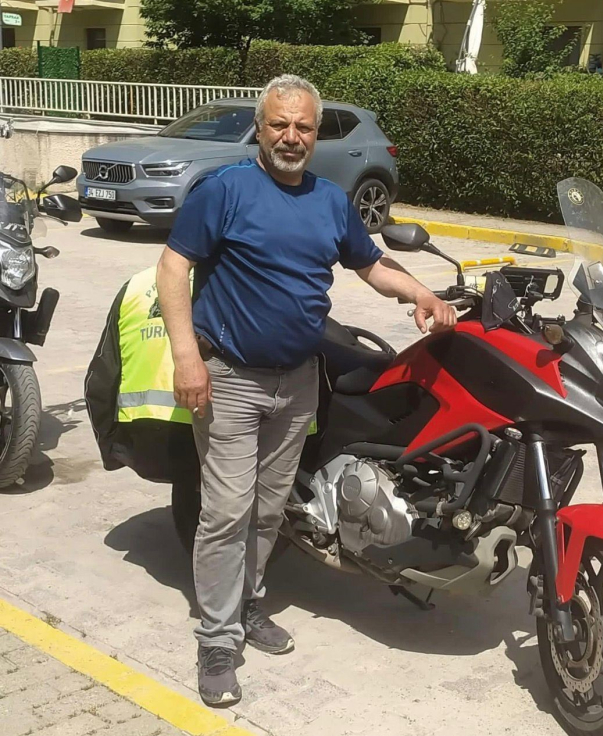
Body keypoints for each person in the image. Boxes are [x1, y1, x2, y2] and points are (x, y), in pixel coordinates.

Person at [155, 74, 456, 707]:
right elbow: (174, 266)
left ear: (316, 134)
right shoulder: (225, 189)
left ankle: (249, 603)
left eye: (303, 127)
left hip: (297, 381)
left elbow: (369, 263)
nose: (291, 137)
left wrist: (422, 293)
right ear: (259, 129)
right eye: (279, 124)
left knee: (269, 510)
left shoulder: (328, 199)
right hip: (230, 378)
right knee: (227, 512)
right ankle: (217, 640)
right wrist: (186, 358)